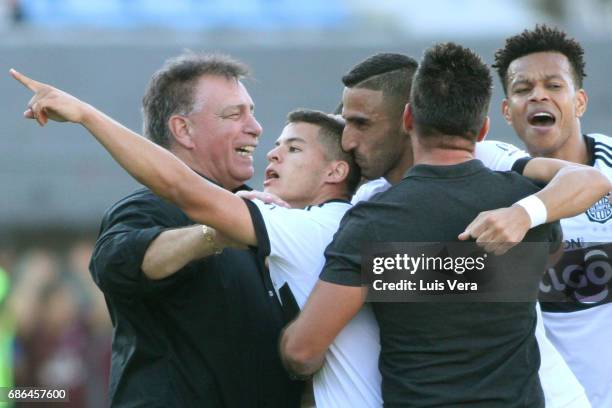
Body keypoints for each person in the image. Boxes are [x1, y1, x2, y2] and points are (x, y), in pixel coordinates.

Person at [11, 55, 608, 407]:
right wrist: (520, 224)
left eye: (355, 124)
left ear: (407, 122)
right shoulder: (488, 174)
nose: (347, 135)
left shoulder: (342, 224)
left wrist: (87, 114)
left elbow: (300, 347)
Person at [281, 41, 578, 407]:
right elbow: (548, 256)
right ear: (483, 128)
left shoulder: (373, 221)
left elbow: (302, 351)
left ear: (408, 120)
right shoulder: (526, 204)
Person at [15, 53, 302, 407]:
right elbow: (119, 264)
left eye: (252, 112)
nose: (256, 128)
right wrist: (211, 236)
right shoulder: (148, 208)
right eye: (233, 114)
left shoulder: (265, 215)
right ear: (183, 129)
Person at [494, 24, 612, 408]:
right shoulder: (496, 179)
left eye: (553, 85)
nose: (538, 95)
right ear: (507, 111)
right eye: (523, 88)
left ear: (579, 102)